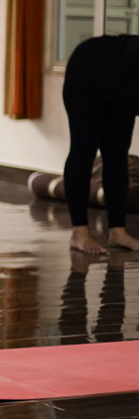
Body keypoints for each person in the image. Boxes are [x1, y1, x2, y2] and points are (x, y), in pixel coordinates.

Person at [61, 34, 139, 254]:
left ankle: (118, 231)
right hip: (87, 76)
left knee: (117, 156)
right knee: (83, 149)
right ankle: (79, 232)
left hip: (122, 93)